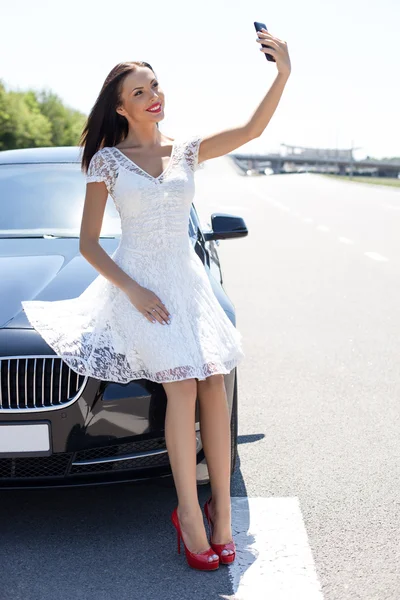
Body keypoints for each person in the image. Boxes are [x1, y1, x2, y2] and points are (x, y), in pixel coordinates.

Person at [21, 28, 291, 571]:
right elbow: (89, 246)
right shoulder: (107, 162)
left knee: (214, 381)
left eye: (156, 86)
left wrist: (281, 73)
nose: (154, 96)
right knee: (185, 383)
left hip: (187, 285)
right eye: (141, 91)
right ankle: (189, 515)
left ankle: (220, 518)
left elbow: (252, 128)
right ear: (121, 107)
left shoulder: (185, 150)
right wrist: (134, 290)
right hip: (140, 288)